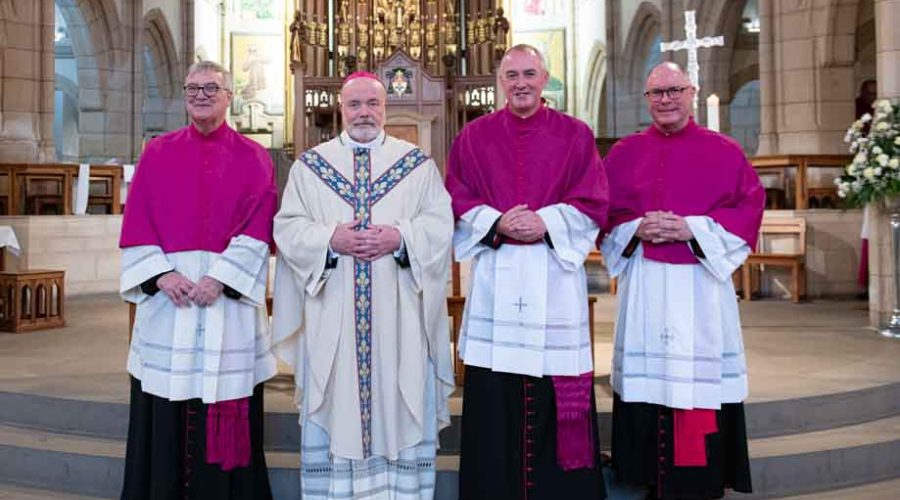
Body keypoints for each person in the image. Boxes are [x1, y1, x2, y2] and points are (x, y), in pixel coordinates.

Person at [271, 71, 455, 499]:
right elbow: (288, 228)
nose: (364, 113)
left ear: (385, 108)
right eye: (355, 104)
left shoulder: (417, 166)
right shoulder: (310, 168)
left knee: (401, 393)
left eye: (373, 103)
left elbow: (440, 225)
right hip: (332, 313)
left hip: (400, 317)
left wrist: (401, 236)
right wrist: (329, 239)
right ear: (341, 109)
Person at [446, 44, 609, 500]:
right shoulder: (473, 137)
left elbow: (594, 200)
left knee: (553, 390)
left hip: (554, 279)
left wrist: (547, 221)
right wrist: (497, 222)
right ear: (501, 81)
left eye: (529, 73)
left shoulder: (576, 136)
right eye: (512, 74)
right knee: (496, 394)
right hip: (497, 277)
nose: (520, 82)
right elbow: (455, 196)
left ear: (545, 78)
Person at [600, 61, 764, 500]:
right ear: (646, 99)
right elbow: (602, 214)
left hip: (699, 288)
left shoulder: (724, 151)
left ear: (692, 92)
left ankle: (699, 480)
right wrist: (635, 228)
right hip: (647, 285)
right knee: (647, 378)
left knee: (697, 379)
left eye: (674, 90)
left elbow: (748, 210)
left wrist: (691, 229)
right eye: (656, 93)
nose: (666, 99)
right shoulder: (623, 154)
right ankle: (646, 476)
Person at [119, 60, 276, 499]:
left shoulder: (254, 156)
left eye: (211, 88)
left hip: (224, 303)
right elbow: (137, 222)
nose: (201, 95)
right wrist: (162, 275)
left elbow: (260, 224)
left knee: (225, 401)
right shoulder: (157, 152)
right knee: (166, 404)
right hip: (171, 302)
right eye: (193, 88)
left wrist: (222, 279)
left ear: (229, 97)